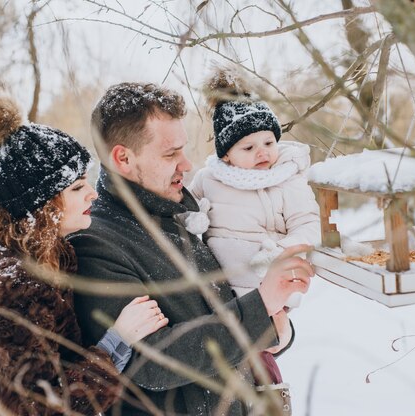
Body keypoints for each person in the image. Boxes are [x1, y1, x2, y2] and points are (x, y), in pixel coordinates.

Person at [69, 82, 314, 415]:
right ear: (123, 158)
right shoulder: (95, 243)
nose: (186, 164)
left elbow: (226, 315)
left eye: (183, 149)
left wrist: (274, 324)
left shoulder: (182, 215)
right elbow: (151, 364)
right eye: (171, 154)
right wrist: (262, 306)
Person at [0, 90, 168, 416]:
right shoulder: (12, 285)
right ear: (42, 204)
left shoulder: (48, 258)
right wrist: (117, 341)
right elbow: (34, 406)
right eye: (77, 187)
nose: (93, 195)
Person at [185, 69, 321, 396]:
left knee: (263, 353)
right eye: (248, 147)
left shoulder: (287, 179)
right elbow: (187, 206)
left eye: (268, 142)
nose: (262, 152)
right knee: (227, 351)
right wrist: (194, 220)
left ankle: (269, 396)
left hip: (268, 285)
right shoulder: (209, 178)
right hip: (219, 289)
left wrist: (283, 251)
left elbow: (308, 224)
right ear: (226, 155)